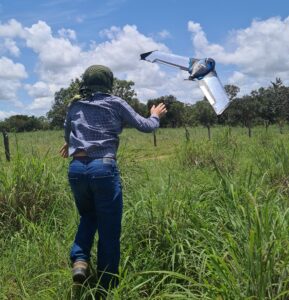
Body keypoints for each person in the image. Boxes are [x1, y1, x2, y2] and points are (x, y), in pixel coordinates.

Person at [59, 65, 167, 291]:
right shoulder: (115, 102)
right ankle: (106, 285)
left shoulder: (75, 104)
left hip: (77, 168)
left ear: (85, 82)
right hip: (103, 169)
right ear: (109, 83)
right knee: (109, 227)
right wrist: (155, 116)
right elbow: (145, 126)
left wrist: (71, 143)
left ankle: (80, 260)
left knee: (88, 216)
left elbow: (67, 130)